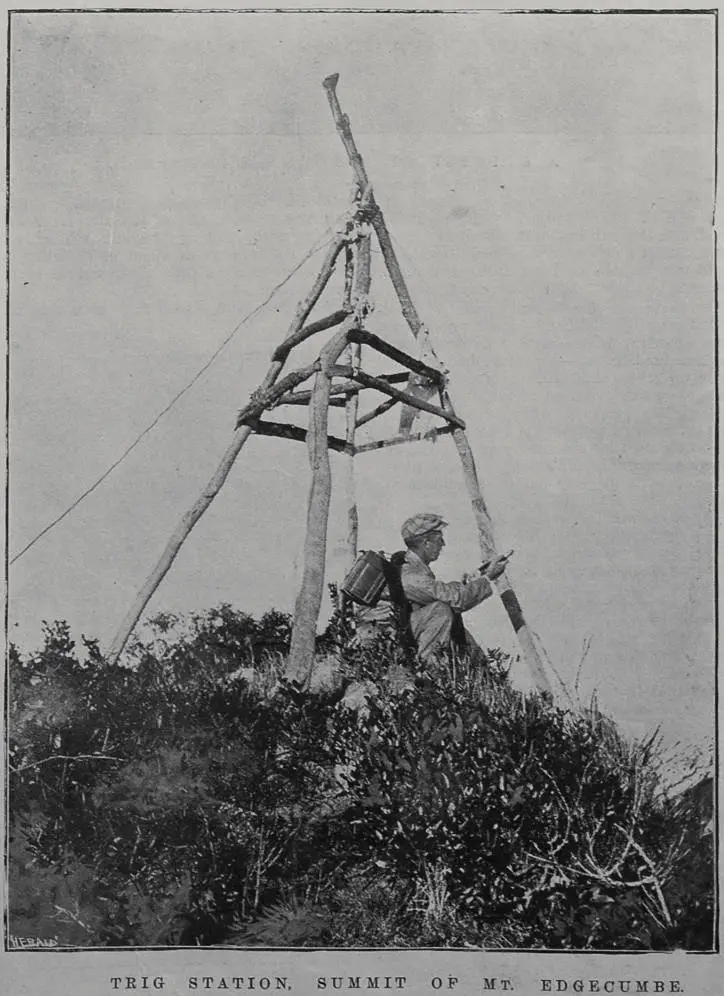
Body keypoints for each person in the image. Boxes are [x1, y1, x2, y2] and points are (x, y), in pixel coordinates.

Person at [398, 513, 509, 664]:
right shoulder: (410, 572)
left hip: (403, 628)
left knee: (457, 628)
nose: (443, 544)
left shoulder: (413, 569)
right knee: (441, 611)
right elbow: (457, 599)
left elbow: (444, 592)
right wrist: (488, 577)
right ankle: (429, 673)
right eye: (439, 539)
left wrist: (475, 578)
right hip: (392, 636)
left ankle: (479, 675)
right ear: (426, 542)